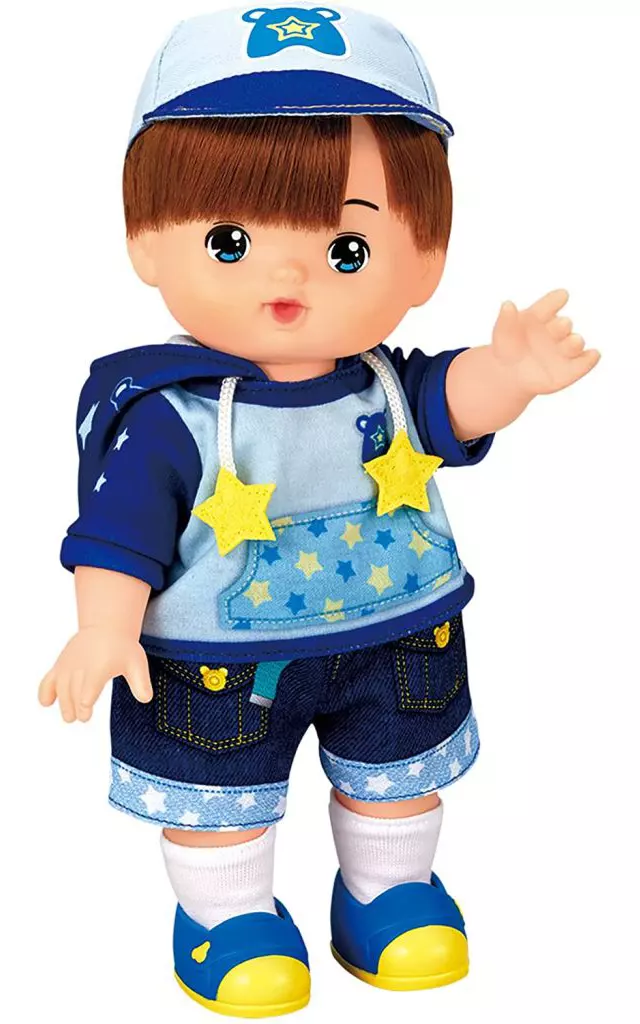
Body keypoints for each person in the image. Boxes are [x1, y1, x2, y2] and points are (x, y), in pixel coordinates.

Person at [38, 4, 599, 1017]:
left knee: (397, 780)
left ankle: (387, 891)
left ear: (426, 259)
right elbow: (119, 534)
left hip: (396, 639)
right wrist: (103, 626)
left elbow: (453, 399)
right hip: (215, 659)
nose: (288, 272)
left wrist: (508, 375)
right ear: (145, 243)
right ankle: (225, 917)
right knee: (221, 804)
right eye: (231, 240)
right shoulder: (171, 413)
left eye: (347, 247)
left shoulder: (384, 384)